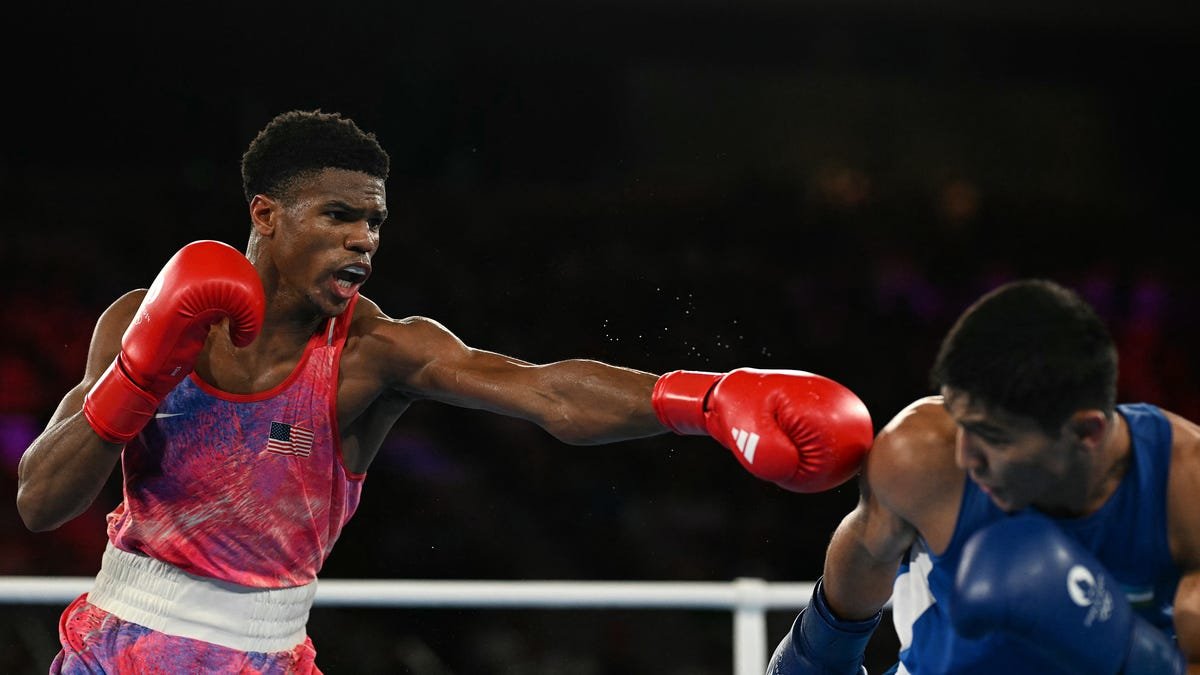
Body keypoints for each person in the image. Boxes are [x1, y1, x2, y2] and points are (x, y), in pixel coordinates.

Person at [14, 109, 875, 674]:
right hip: (110, 643)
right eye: (339, 216)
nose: (363, 242)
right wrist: (136, 372)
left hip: (263, 657)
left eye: (375, 222)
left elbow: (542, 392)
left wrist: (701, 398)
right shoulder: (143, 317)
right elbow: (40, 501)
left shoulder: (374, 352)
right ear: (267, 214)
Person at [766, 278, 1199, 674]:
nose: (966, 455)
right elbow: (868, 550)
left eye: (992, 437)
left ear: (1086, 432)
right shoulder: (922, 452)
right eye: (962, 424)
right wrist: (817, 658)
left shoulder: (1185, 489)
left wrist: (1131, 656)